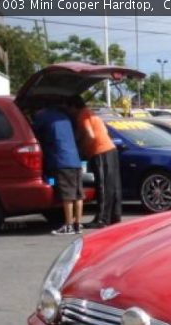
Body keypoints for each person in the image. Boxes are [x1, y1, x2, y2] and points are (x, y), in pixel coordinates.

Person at [68, 96, 121, 229]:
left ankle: (102, 219)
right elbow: (104, 131)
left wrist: (84, 149)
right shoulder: (92, 113)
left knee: (102, 185)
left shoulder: (83, 115)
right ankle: (114, 216)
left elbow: (90, 135)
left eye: (68, 108)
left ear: (73, 107)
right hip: (111, 148)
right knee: (113, 185)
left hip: (100, 151)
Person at [33, 106, 84, 235]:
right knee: (78, 195)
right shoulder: (64, 116)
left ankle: (68, 225)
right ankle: (78, 224)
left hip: (62, 161)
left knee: (67, 196)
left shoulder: (42, 117)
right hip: (75, 160)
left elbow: (34, 132)